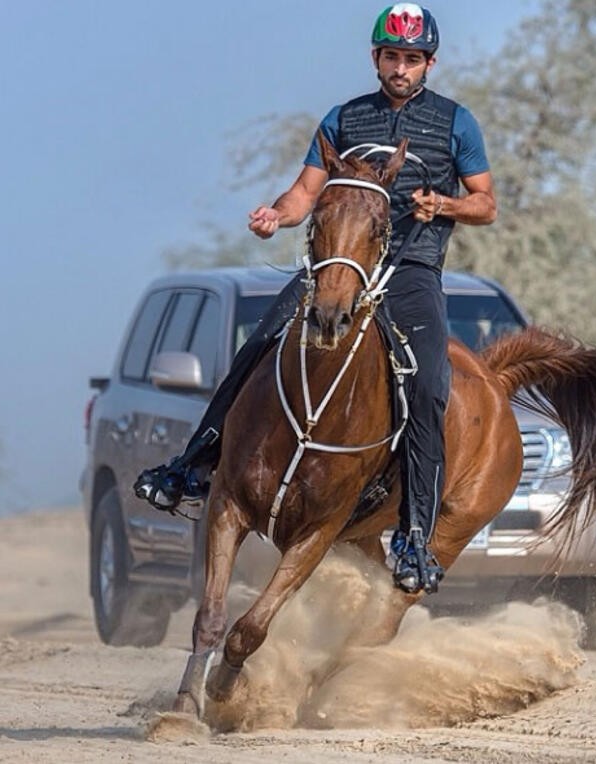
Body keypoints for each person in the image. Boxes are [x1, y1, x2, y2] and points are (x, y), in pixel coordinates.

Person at [134, 3, 497, 594]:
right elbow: (306, 191)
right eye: (390, 56)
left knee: (429, 383)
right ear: (375, 58)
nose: (400, 67)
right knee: (260, 345)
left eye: (411, 58)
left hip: (409, 271)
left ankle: (414, 538)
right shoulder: (343, 118)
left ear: (429, 62)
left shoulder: (456, 123)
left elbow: (486, 202)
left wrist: (445, 205)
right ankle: (193, 467)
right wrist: (276, 215)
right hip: (338, 267)